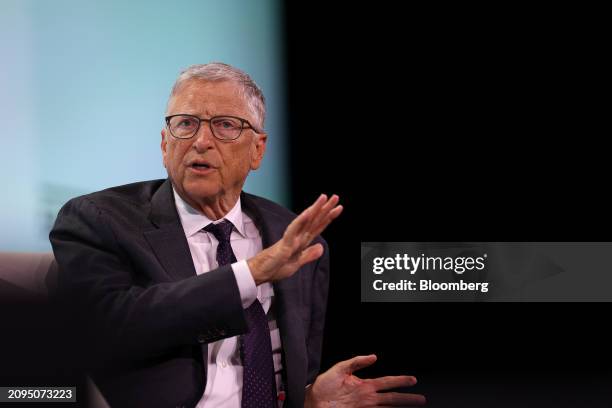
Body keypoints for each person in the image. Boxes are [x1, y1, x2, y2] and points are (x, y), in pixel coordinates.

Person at [50, 63, 425, 408]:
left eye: (226, 125)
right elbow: (109, 327)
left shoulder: (296, 239)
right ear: (165, 145)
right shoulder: (100, 220)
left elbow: (295, 373)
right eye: (186, 124)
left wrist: (309, 399)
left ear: (257, 150)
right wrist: (252, 273)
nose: (201, 141)